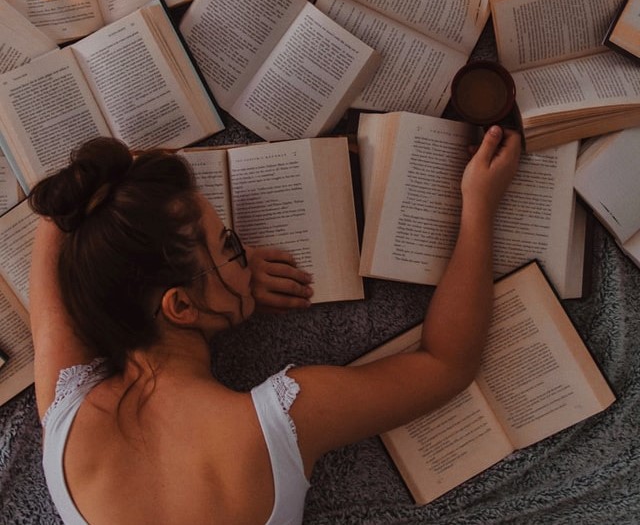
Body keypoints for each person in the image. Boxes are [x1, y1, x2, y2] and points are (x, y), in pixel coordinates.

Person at [29, 125, 520, 525]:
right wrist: (480, 207)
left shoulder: (65, 411)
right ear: (179, 307)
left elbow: (61, 215)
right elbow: (447, 364)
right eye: (229, 246)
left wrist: (217, 287)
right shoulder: (280, 422)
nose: (244, 251)